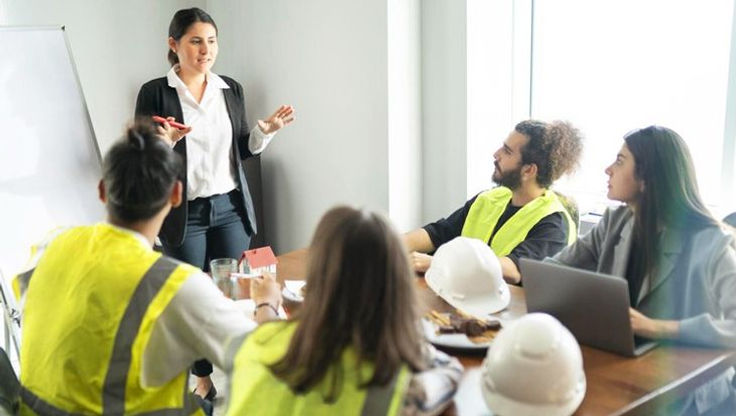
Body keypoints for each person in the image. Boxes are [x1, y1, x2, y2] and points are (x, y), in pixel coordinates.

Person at [14, 123, 282, 415]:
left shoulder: (52, 244)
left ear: (103, 190)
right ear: (177, 195)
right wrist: (266, 301)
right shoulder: (173, 285)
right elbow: (262, 356)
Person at [134, 7, 294, 398]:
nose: (206, 50)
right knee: (191, 299)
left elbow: (242, 149)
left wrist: (264, 132)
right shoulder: (155, 92)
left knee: (235, 294)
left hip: (229, 209)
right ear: (174, 45)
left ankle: (239, 369)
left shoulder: (230, 89)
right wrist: (164, 143)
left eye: (211, 41)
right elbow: (141, 154)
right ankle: (202, 377)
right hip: (184, 214)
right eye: (195, 41)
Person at [549, 126, 736, 415]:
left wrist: (656, 327)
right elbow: (554, 270)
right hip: (625, 369)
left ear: (647, 178)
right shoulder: (615, 222)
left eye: (620, 161)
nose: (607, 169)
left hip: (691, 396)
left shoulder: (711, 242)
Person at [225, 206, 464, 416]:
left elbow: (267, 334)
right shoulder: (399, 389)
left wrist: (265, 304)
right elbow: (451, 372)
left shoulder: (249, 346)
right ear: (397, 287)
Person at [404, 120, 583, 284]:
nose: (496, 154)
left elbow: (513, 270)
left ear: (529, 170)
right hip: (469, 300)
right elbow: (438, 233)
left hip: (511, 313)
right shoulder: (490, 199)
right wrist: (390, 245)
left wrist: (439, 263)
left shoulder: (554, 224)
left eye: (507, 151)